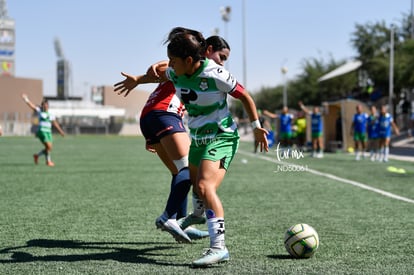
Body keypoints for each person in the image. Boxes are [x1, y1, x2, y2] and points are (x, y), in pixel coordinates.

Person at [114, 27, 269, 267]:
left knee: (205, 187)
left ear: (188, 60)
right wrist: (137, 80)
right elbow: (160, 74)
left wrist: (257, 127)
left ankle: (219, 248)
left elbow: (245, 96)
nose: (170, 65)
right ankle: (195, 216)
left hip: (222, 137)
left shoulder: (215, 73)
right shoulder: (177, 72)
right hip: (198, 139)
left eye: (174, 61)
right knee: (195, 184)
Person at [115, 36, 231, 244]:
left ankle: (179, 220)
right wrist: (153, 68)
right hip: (164, 114)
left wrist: (139, 80)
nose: (222, 62)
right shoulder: (190, 63)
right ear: (208, 49)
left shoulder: (195, 68)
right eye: (220, 56)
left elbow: (163, 70)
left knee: (179, 172)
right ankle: (169, 217)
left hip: (151, 117)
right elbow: (162, 67)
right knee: (187, 169)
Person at [21, 94, 65, 166]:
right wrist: (26, 99)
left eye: (46, 104)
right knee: (49, 147)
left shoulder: (51, 114)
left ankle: (38, 156)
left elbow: (55, 123)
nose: (44, 106)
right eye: (43, 104)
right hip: (42, 132)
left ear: (48, 105)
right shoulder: (39, 111)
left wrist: (60, 131)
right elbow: (31, 105)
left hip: (48, 132)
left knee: (49, 148)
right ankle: (48, 161)